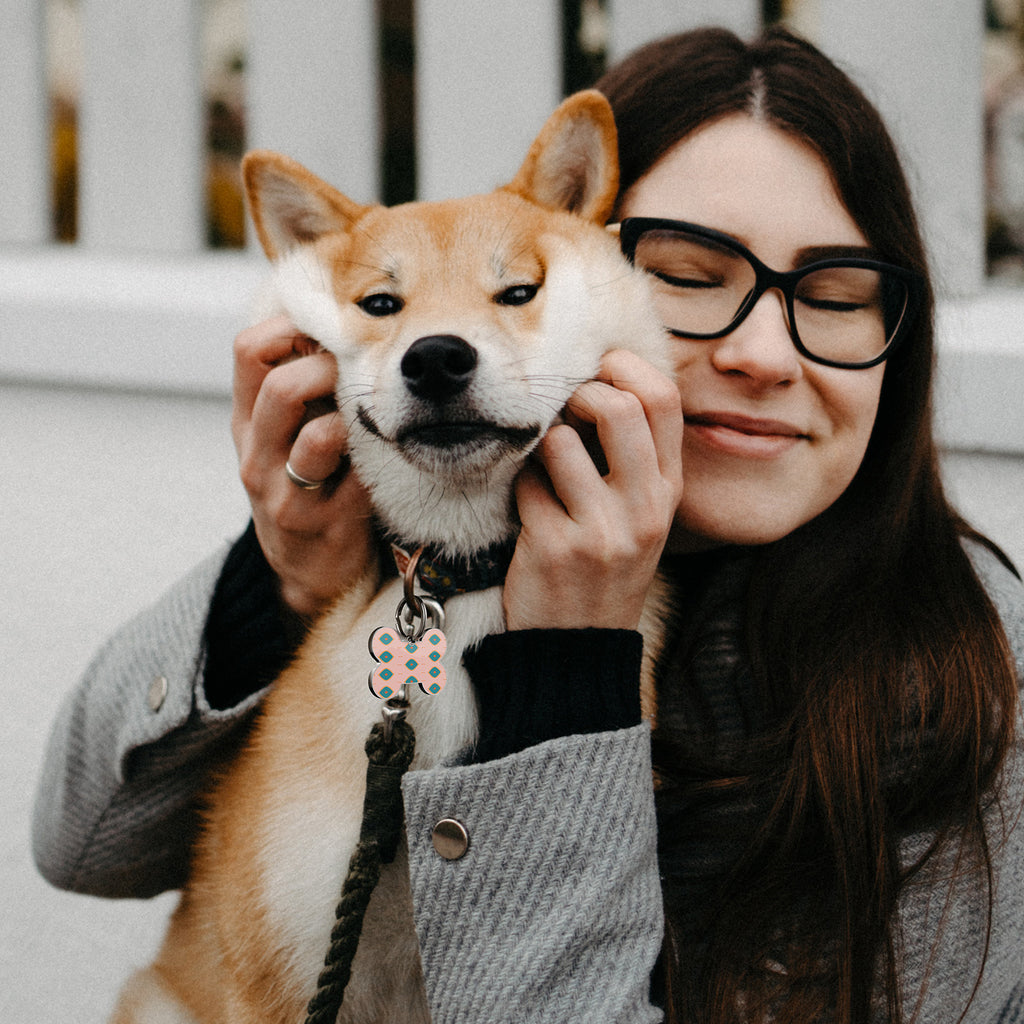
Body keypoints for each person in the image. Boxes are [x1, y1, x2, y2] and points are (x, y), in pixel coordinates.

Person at [32, 25, 1024, 1024]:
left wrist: (563, 677)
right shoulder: (417, 552)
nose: (764, 354)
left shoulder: (974, 682)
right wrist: (280, 581)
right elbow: (86, 845)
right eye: (688, 275)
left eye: (838, 293)